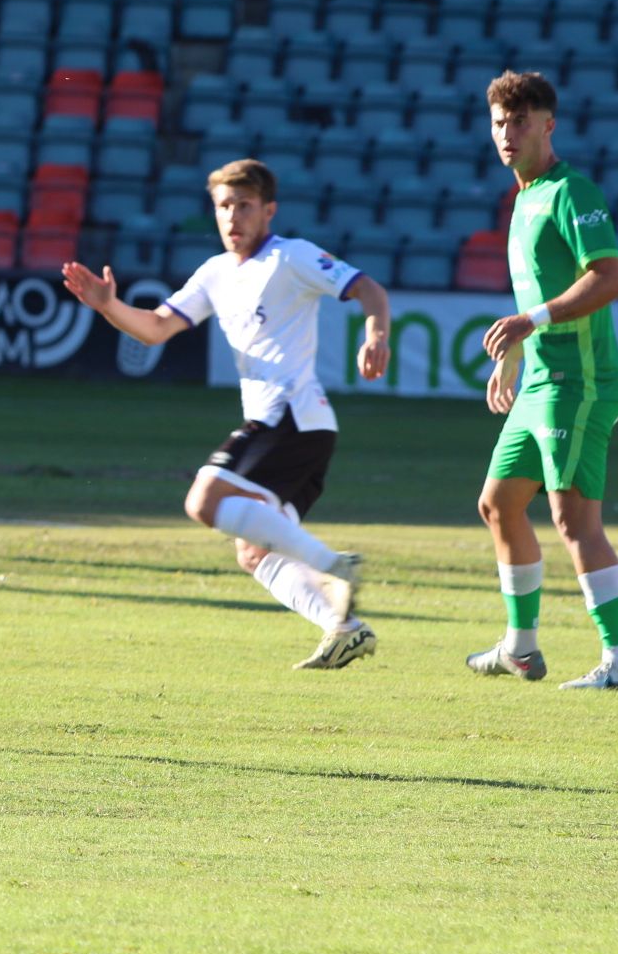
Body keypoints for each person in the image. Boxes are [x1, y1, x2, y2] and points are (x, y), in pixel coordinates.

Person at [62, 159, 391, 670]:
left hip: (291, 416)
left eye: (244, 206)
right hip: (294, 427)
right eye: (224, 206)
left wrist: (376, 334)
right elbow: (155, 328)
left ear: (269, 210)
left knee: (204, 498)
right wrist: (108, 305)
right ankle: (342, 627)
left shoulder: (292, 257)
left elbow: (370, 290)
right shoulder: (216, 272)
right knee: (254, 553)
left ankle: (333, 565)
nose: (233, 217)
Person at [467, 71, 618, 690]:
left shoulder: (573, 191)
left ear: (548, 124)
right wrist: (516, 353)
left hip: (581, 381)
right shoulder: (523, 199)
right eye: (498, 123)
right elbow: (538, 291)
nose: (507, 134)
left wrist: (529, 320)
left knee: (575, 523)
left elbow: (610, 278)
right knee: (498, 504)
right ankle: (519, 647)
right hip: (540, 380)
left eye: (520, 122)